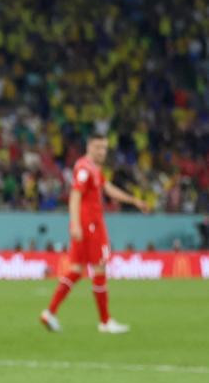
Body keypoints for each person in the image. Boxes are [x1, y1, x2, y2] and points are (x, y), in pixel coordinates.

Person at [41, 130, 149, 333]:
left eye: (105, 148)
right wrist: (75, 224)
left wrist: (133, 201)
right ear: (90, 146)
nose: (102, 151)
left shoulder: (94, 169)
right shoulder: (84, 168)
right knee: (99, 268)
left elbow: (108, 189)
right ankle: (105, 322)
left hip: (88, 225)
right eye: (98, 147)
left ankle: (50, 312)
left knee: (76, 270)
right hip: (90, 225)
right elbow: (74, 196)